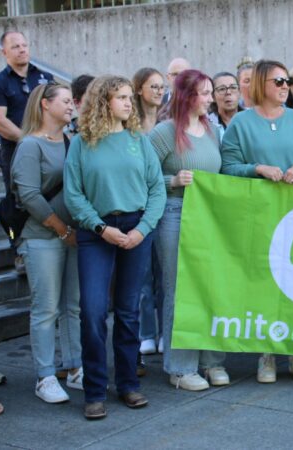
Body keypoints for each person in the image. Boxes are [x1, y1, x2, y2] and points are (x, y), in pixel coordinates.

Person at [64, 75, 167, 420]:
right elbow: (73, 194)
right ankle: (94, 391)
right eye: (120, 97)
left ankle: (127, 384)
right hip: (97, 232)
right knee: (93, 311)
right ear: (102, 101)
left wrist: (142, 229)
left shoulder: (139, 139)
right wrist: (99, 227)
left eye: (128, 97)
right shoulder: (82, 143)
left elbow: (157, 190)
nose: (128, 102)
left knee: (128, 311)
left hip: (137, 229)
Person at [221, 59, 293, 384]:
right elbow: (228, 167)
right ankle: (266, 354)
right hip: (260, 215)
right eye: (278, 81)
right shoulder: (241, 123)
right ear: (262, 84)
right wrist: (258, 169)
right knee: (265, 280)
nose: (284, 88)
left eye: (286, 82)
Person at [150, 70, 230, 391]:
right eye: (205, 93)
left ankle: (211, 361)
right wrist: (172, 180)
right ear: (187, 96)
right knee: (179, 288)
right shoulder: (163, 133)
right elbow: (142, 176)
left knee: (209, 286)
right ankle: (180, 367)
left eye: (211, 92)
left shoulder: (212, 130)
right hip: (174, 212)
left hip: (208, 215)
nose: (211, 99)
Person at [11, 82, 82, 404]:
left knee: (73, 306)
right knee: (45, 309)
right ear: (45, 104)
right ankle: (45, 376)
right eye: (66, 101)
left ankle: (76, 367)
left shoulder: (71, 141)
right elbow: (28, 196)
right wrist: (62, 230)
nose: (71, 107)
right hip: (43, 238)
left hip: (72, 236)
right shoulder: (30, 146)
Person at [0, 31, 54, 195]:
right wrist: (30, 141)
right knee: (20, 203)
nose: (22, 49)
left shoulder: (46, 77)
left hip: (49, 151)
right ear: (4, 52)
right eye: (15, 47)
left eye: (24, 45)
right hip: (15, 154)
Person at [132, 67, 166, 361]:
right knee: (143, 275)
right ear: (139, 89)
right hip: (137, 204)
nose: (159, 91)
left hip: (163, 203)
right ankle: (146, 333)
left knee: (165, 272)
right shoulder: (130, 123)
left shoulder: (169, 121)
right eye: (153, 86)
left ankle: (166, 330)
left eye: (162, 86)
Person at [133, 67, 165, 133]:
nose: (160, 92)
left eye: (162, 87)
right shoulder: (130, 121)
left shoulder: (167, 119)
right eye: (155, 87)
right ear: (139, 89)